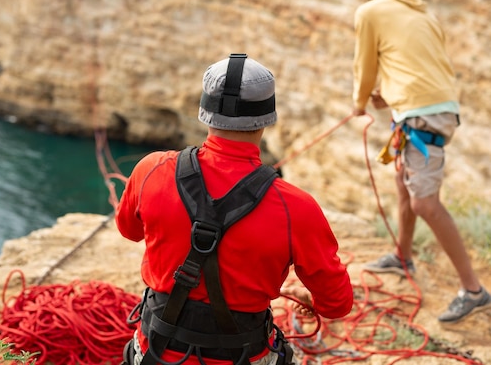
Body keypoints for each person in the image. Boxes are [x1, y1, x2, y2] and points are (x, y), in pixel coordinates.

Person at [116, 53, 353, 365]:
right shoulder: (297, 207)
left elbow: (129, 231)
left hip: (154, 353)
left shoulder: (151, 168)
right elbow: (337, 304)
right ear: (268, 118)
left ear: (205, 113)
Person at [351, 0, 491, 323]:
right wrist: (393, 100)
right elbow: (420, 67)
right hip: (434, 108)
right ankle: (403, 256)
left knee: (425, 203)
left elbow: (364, 66)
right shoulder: (425, 14)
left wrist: (359, 102)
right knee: (403, 183)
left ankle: (474, 290)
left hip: (421, 114)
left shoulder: (370, 11)